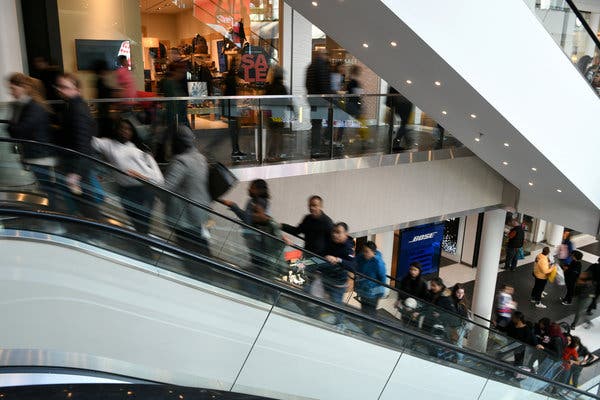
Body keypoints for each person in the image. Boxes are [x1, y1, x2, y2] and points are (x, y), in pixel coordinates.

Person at [91, 119, 164, 234]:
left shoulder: (140, 149)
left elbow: (158, 178)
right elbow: (91, 141)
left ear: (133, 132)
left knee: (143, 225)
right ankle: (143, 248)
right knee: (137, 225)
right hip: (126, 192)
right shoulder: (109, 145)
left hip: (145, 191)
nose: (125, 131)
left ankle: (144, 249)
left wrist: (140, 176)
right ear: (116, 129)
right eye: (122, 128)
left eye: (129, 129)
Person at [54, 73, 103, 221]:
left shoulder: (77, 109)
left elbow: (83, 144)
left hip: (77, 165)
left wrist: (76, 173)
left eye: (65, 87)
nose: (61, 90)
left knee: (86, 203)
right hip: (77, 164)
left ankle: (97, 234)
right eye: (59, 86)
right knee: (83, 201)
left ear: (77, 89)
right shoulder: (75, 106)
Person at [6, 72, 57, 208]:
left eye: (13, 89)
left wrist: (12, 125)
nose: (11, 92)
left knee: (48, 189)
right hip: (36, 154)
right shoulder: (27, 106)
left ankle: (57, 219)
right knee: (46, 188)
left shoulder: (33, 107)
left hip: (40, 155)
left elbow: (19, 130)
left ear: (23, 87)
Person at [163, 126, 212, 256]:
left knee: (190, 254)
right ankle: (209, 274)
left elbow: (166, 189)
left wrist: (146, 179)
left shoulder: (181, 162)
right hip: (203, 214)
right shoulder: (201, 158)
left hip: (186, 219)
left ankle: (198, 274)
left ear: (177, 142)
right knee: (203, 249)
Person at [221, 179, 287, 277]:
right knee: (256, 263)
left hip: (258, 241)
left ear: (258, 190)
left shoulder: (261, 202)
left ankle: (259, 284)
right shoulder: (252, 201)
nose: (249, 189)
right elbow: (248, 218)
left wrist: (234, 207)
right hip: (252, 238)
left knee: (259, 264)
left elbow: (250, 219)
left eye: (252, 187)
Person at [318, 222, 356, 304]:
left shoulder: (348, 248)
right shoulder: (330, 242)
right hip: (326, 279)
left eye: (338, 232)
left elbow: (353, 266)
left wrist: (338, 260)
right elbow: (321, 255)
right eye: (334, 232)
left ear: (345, 234)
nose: (335, 235)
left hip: (337, 285)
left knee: (336, 307)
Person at [305, 50, 332, 158]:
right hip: (321, 100)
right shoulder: (321, 66)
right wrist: (331, 96)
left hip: (312, 99)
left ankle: (315, 146)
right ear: (323, 55)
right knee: (323, 122)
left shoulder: (310, 67)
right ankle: (316, 148)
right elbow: (324, 85)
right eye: (326, 55)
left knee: (315, 124)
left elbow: (306, 84)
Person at [354, 241, 386, 316]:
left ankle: (369, 327)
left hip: (373, 293)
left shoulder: (378, 262)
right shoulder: (361, 257)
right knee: (364, 311)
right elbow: (353, 262)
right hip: (363, 290)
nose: (364, 253)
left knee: (370, 313)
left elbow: (382, 278)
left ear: (373, 252)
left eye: (367, 252)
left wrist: (380, 293)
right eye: (363, 251)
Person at [263, 65, 288, 160]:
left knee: (273, 134)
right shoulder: (282, 87)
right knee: (278, 134)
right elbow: (287, 101)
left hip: (270, 114)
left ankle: (271, 153)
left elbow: (265, 101)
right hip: (279, 114)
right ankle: (276, 153)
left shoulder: (269, 87)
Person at [223, 64, 246, 158]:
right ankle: (235, 150)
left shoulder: (230, 79)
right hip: (232, 108)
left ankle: (236, 150)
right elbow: (232, 94)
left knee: (234, 129)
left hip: (231, 108)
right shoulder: (232, 79)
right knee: (234, 130)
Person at [386, 86, 413, 151]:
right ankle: (397, 143)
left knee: (403, 124)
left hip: (398, 105)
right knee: (404, 124)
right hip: (405, 104)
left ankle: (406, 140)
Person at [450, 283, 472, 357]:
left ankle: (459, 359)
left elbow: (464, 316)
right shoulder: (452, 301)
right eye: (458, 293)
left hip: (460, 326)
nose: (460, 295)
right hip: (453, 325)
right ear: (455, 292)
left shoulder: (462, 303)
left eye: (462, 293)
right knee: (454, 343)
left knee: (457, 344)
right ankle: (455, 358)